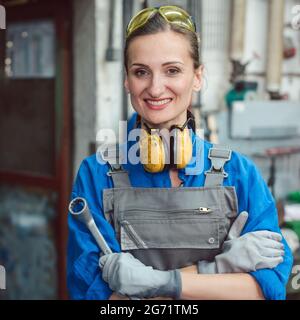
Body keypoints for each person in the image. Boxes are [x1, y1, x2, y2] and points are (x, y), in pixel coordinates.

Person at [67, 6, 293, 300]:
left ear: (197, 77)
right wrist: (219, 271)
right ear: (127, 81)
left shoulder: (240, 173)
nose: (155, 88)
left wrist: (152, 283)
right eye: (141, 72)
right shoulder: (96, 175)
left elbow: (266, 291)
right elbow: (101, 300)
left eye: (172, 70)